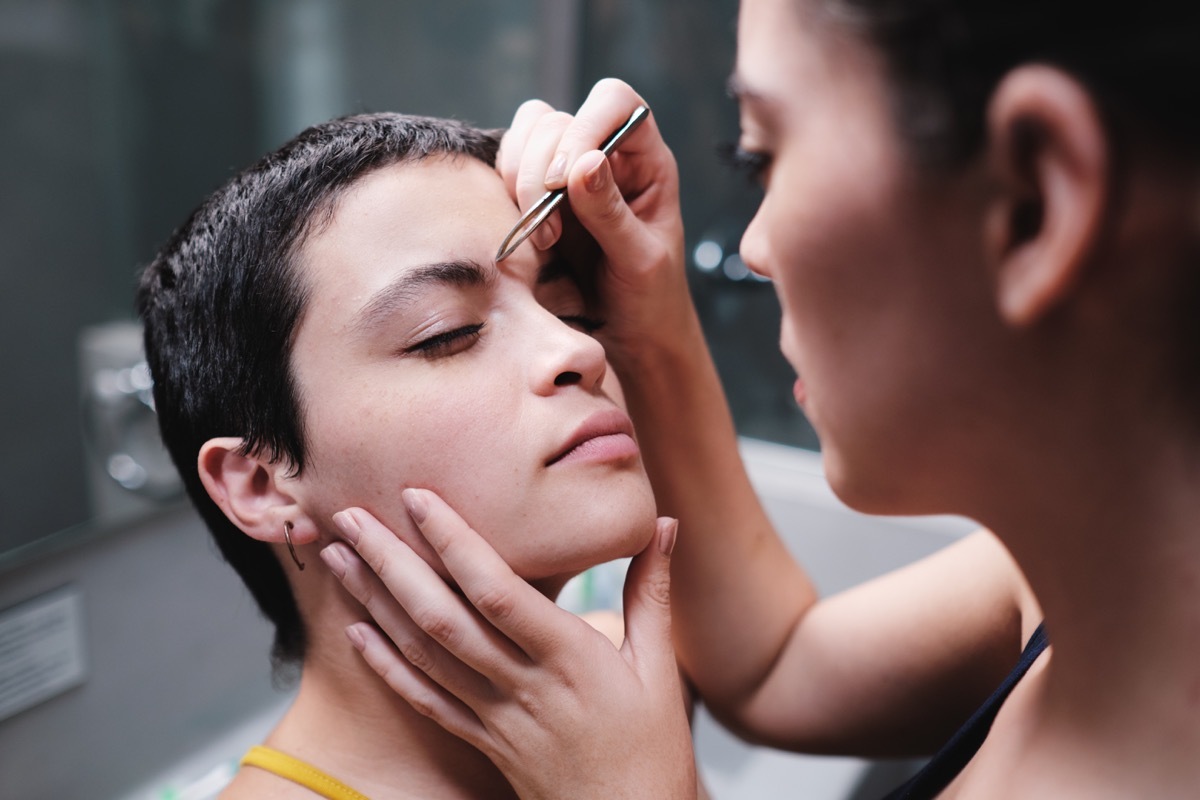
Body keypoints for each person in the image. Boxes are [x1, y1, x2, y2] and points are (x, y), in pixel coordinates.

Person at [324, 1, 1200, 797]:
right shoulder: (1091, 581)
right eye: (447, 333)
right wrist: (649, 320)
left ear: (1034, 202)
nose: (755, 245)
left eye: (763, 157)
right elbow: (776, 666)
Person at [136, 111, 705, 798]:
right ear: (260, 483)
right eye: (447, 333)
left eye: (571, 309)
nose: (579, 350)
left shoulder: (624, 688)